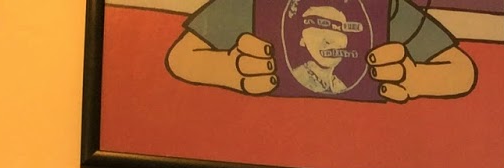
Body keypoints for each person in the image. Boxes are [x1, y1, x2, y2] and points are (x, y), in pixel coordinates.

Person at [165, 0, 476, 102]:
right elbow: (181, 56)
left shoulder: (385, 6)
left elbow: (462, 71)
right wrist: (228, 68)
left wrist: (415, 78)